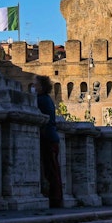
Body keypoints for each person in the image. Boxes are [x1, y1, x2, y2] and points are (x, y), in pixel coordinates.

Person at [35, 75, 63, 209]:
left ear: (42, 87)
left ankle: (56, 199)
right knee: (53, 169)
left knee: (51, 170)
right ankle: (56, 198)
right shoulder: (48, 100)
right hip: (52, 138)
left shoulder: (41, 100)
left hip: (48, 138)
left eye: (36, 85)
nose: (34, 88)